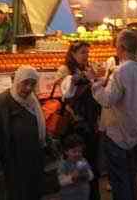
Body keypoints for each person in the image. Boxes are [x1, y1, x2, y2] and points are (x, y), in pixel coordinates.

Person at [92, 30, 137, 200]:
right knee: (131, 176)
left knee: (120, 180)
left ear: (121, 47)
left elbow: (107, 100)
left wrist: (95, 84)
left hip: (117, 132)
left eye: (116, 46)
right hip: (136, 128)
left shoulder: (120, 71)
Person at [0, 66, 46, 200]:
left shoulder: (33, 101)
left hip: (31, 161)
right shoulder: (2, 102)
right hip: (11, 163)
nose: (28, 88)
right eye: (25, 83)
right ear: (17, 81)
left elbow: (41, 127)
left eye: (32, 84)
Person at [56, 41, 102, 200]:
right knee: (75, 163)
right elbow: (65, 94)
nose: (86, 56)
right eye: (83, 52)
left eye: (87, 53)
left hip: (90, 123)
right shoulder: (65, 70)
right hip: (75, 125)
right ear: (73, 53)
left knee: (91, 164)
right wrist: (80, 79)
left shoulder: (88, 69)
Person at [58, 134, 95, 200]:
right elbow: (61, 181)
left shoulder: (83, 161)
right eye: (74, 151)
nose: (77, 154)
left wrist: (87, 175)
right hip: (69, 196)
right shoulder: (63, 164)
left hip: (83, 195)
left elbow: (91, 176)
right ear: (66, 151)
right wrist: (72, 177)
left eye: (80, 151)